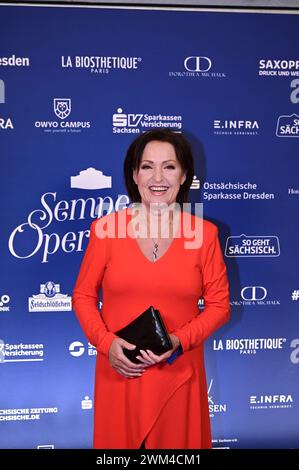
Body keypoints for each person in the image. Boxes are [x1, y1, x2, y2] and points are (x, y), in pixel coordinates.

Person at [72, 129, 230, 449]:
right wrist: (106, 344)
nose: (158, 177)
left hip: (179, 375)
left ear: (184, 176)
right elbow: (83, 296)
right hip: (121, 372)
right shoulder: (105, 231)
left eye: (169, 167)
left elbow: (219, 306)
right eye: (147, 166)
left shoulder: (206, 234)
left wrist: (177, 340)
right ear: (134, 174)